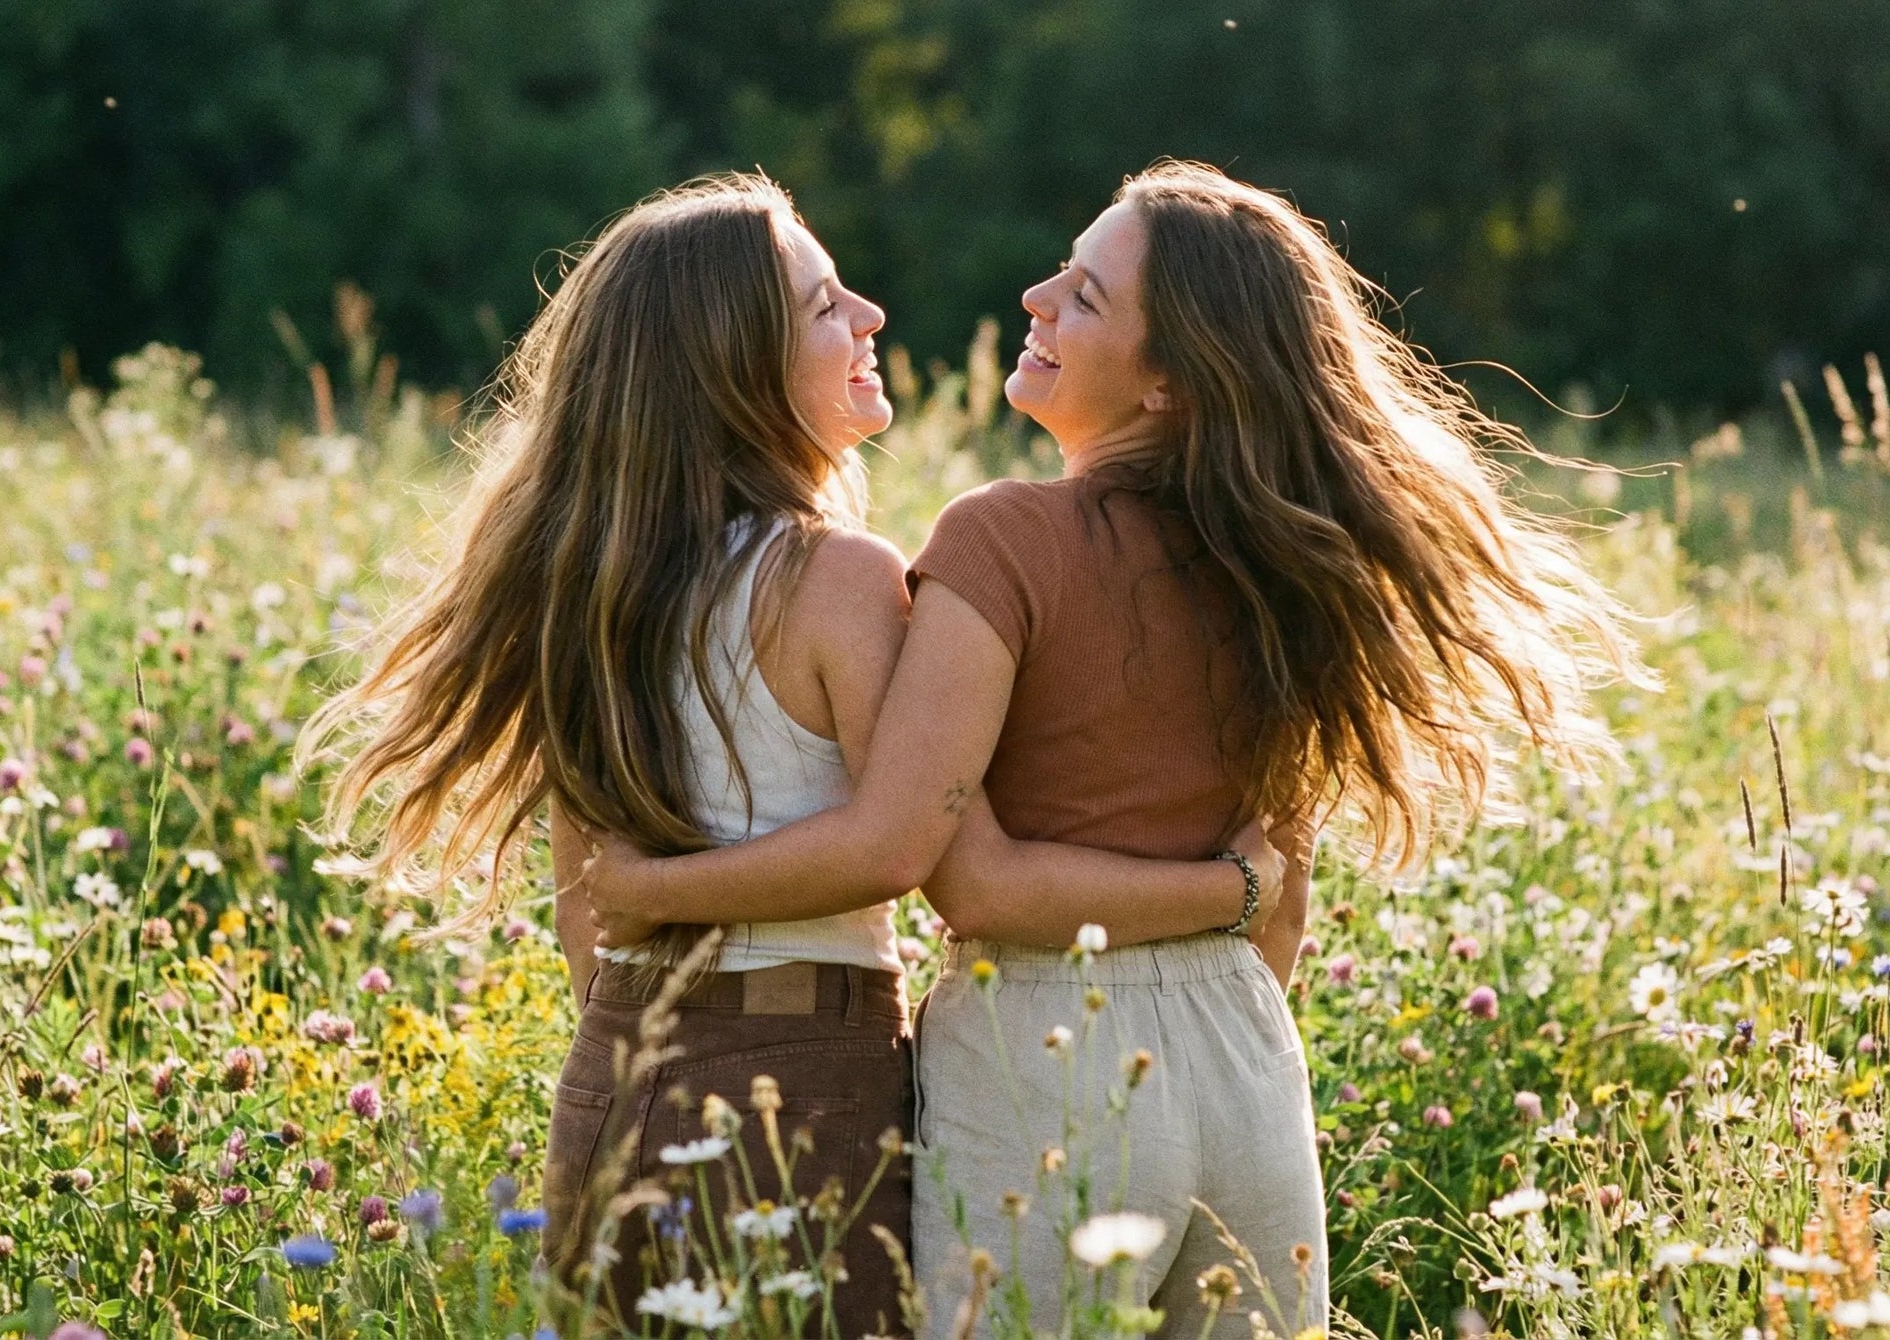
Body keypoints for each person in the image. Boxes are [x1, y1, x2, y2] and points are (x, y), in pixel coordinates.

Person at [586, 161, 1651, 1338]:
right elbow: (1280, 904)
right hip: (1245, 1054)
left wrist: (650, 893)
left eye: (1086, 296)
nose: (1038, 295)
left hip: (1048, 1048)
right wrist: (1225, 909)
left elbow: (960, 871)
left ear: (1168, 386)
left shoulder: (1000, 541)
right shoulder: (1287, 575)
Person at [298, 173, 1264, 1338]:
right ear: (733, 364)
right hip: (801, 1069)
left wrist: (652, 975)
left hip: (617, 1058)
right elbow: (902, 840)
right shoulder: (837, 576)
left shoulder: (582, 584)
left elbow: (581, 914)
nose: (869, 315)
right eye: (821, 307)